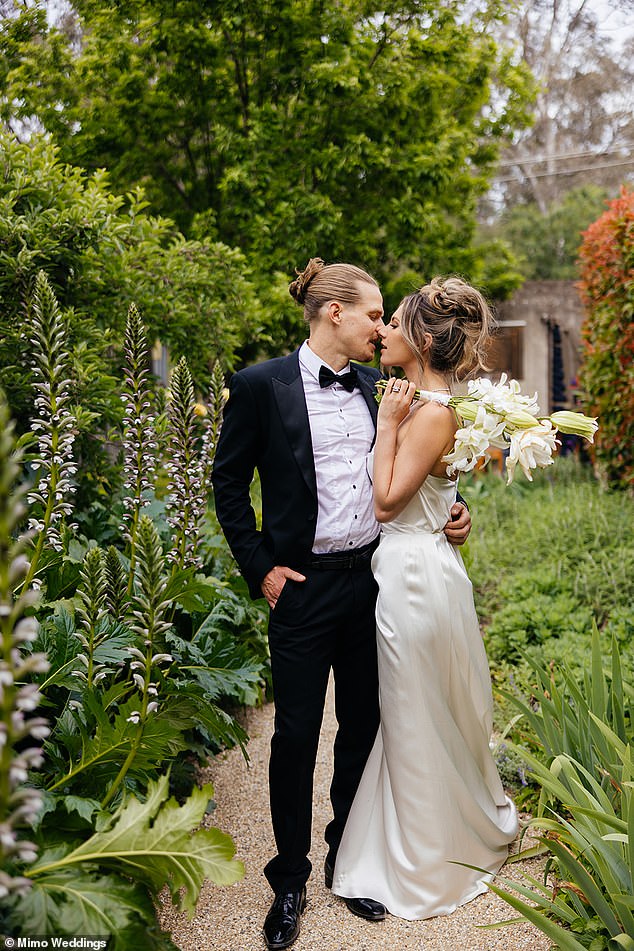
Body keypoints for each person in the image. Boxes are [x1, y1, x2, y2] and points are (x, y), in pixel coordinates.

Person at [211, 259, 472, 951]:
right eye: (374, 313)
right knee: (296, 734)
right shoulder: (260, 385)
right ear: (334, 314)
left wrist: (457, 510)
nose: (382, 326)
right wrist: (261, 568)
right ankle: (289, 877)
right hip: (300, 585)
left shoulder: (379, 386)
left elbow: (420, 471)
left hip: (372, 582)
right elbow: (228, 484)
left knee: (364, 724)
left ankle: (346, 860)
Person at [331, 277, 518, 920]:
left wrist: (387, 421)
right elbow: (434, 491)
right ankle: (438, 837)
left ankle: (424, 861)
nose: (382, 332)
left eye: (394, 323)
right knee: (423, 710)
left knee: (413, 715)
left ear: (422, 339)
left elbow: (386, 501)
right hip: (424, 567)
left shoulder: (431, 410)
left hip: (410, 575)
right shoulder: (435, 406)